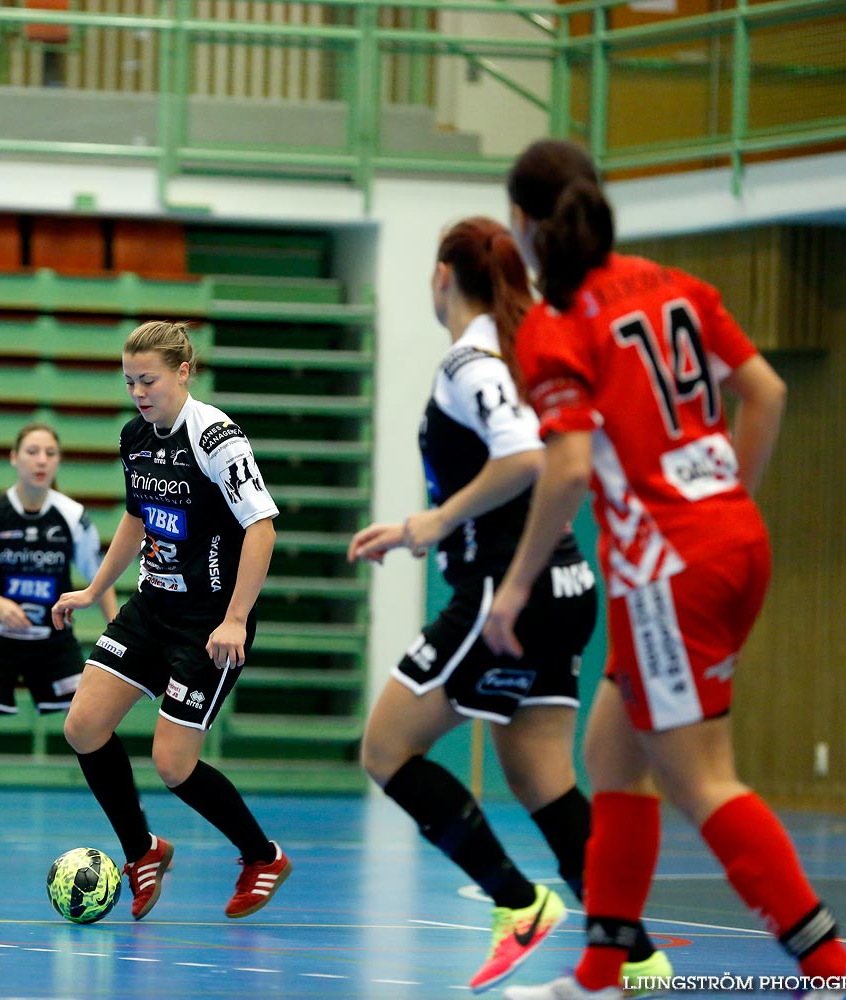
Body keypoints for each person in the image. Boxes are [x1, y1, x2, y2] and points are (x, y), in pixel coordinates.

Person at [484, 140, 846, 1000]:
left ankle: (833, 971)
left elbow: (571, 467)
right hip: (731, 538)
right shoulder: (673, 284)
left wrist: (513, 588)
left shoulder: (558, 325)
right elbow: (766, 392)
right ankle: (598, 976)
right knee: (612, 756)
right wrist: (726, 499)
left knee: (701, 776)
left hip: (666, 564)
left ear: (524, 223)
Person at [349, 216, 665, 992]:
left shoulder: (470, 359)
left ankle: (517, 904)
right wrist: (425, 530)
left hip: (506, 590)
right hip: (565, 584)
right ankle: (638, 957)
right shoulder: (526, 350)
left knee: (385, 748)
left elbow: (525, 456)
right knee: (540, 774)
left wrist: (434, 521)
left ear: (440, 277)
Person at [50, 320, 291, 921]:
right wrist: (94, 589)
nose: (138, 391)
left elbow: (261, 527)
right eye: (129, 380)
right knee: (82, 726)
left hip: (208, 623)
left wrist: (235, 619)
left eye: (149, 379)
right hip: (151, 608)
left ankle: (262, 855)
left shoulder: (215, 438)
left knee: (172, 765)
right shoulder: (135, 436)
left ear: (184, 372)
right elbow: (138, 517)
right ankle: (142, 849)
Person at [0, 423, 118, 866]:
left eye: (50, 452)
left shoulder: (72, 516)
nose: (41, 460)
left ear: (58, 461)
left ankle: (135, 827)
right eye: (32, 451)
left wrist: (117, 632)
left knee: (93, 729)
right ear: (14, 458)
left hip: (52, 642)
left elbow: (99, 579)